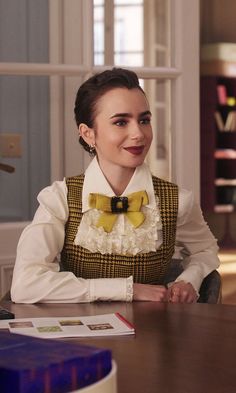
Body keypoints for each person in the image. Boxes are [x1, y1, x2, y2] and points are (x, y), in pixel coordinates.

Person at [11, 67, 220, 304]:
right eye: (121, 122)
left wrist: (188, 279)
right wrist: (127, 289)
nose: (138, 134)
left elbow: (204, 250)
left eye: (144, 120)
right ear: (88, 134)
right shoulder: (59, 198)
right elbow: (25, 285)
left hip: (154, 333)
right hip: (77, 333)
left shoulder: (178, 200)